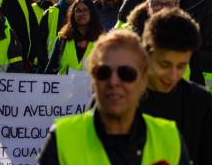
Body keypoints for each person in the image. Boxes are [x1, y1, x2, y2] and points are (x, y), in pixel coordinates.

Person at [38, 29, 190, 165]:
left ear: (144, 81)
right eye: (103, 72)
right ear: (93, 80)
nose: (114, 82)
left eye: (126, 74)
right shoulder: (62, 139)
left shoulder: (170, 139)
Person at [140, 8, 212, 165]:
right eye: (165, 64)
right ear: (147, 54)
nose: (173, 76)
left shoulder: (201, 102)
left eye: (181, 66)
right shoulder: (119, 98)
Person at [45, 0, 103, 74]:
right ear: (73, 14)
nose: (82, 13)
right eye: (78, 10)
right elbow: (50, 67)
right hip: (64, 85)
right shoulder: (62, 38)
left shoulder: (101, 40)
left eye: (85, 10)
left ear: (92, 13)